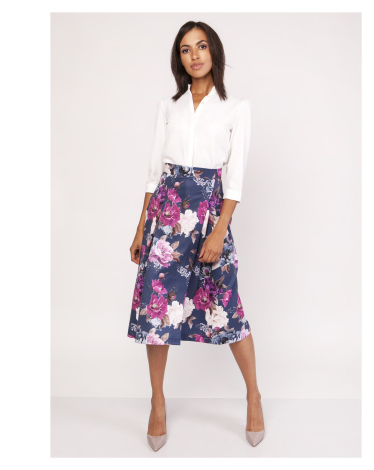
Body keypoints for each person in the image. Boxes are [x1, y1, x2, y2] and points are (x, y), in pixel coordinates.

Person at [127, 21, 265, 451]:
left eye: (201, 46)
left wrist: (219, 231)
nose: (194, 55)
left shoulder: (235, 108)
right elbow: (154, 173)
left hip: (208, 215)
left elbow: (234, 180)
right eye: (186, 49)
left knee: (227, 307)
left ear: (213, 51)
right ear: (180, 59)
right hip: (166, 216)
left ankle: (254, 396)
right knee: (156, 311)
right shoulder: (168, 107)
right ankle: (157, 402)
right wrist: (141, 227)